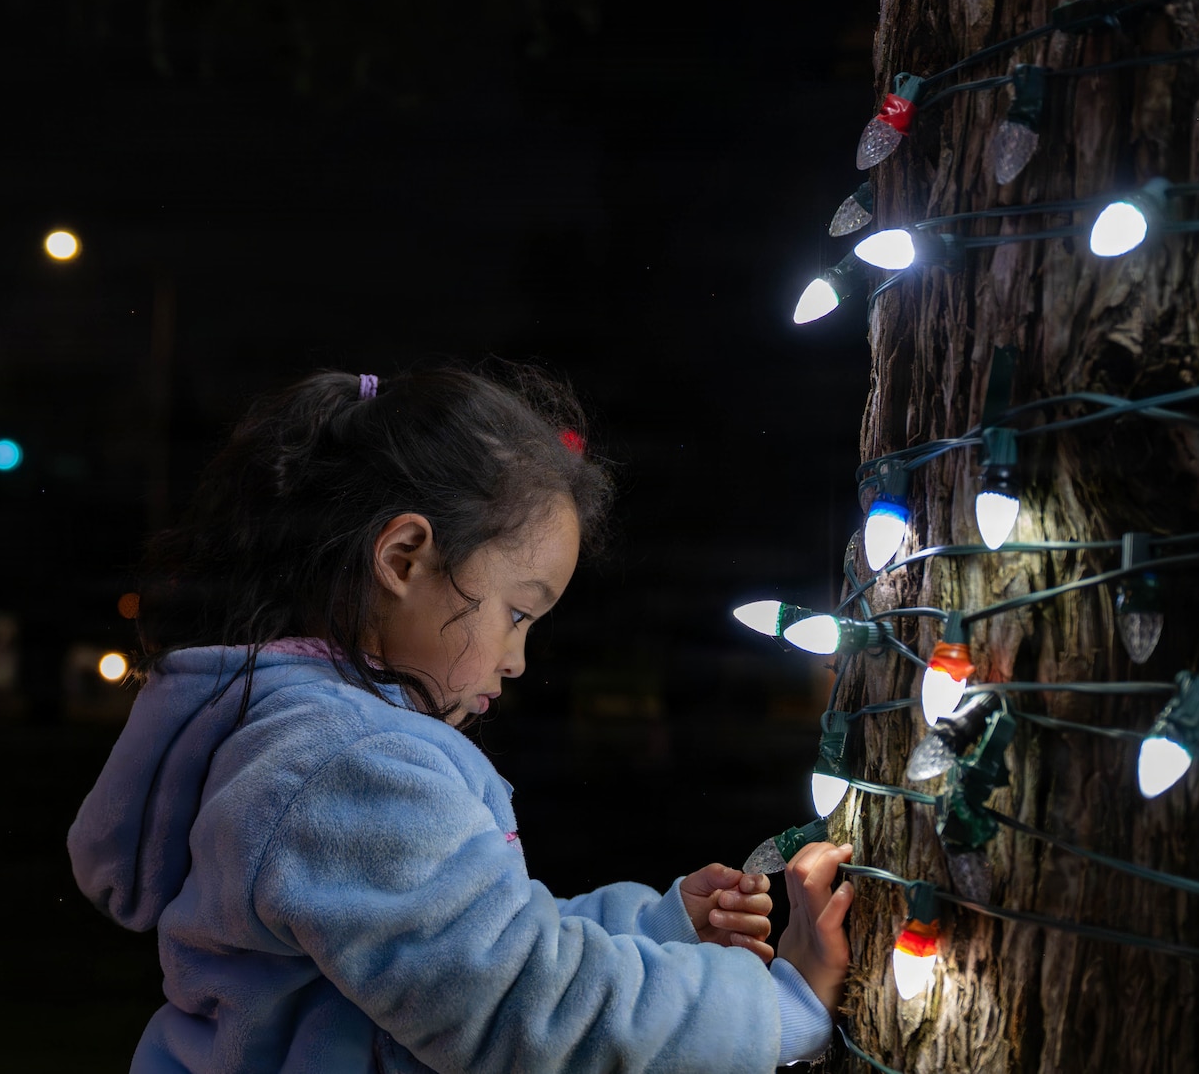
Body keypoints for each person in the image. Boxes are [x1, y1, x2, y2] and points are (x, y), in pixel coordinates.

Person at [67, 364, 855, 1073]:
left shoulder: (307, 741)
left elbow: (484, 949)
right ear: (404, 557)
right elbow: (523, 1012)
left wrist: (663, 928)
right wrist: (776, 1012)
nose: (516, 659)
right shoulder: (351, 765)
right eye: (517, 613)